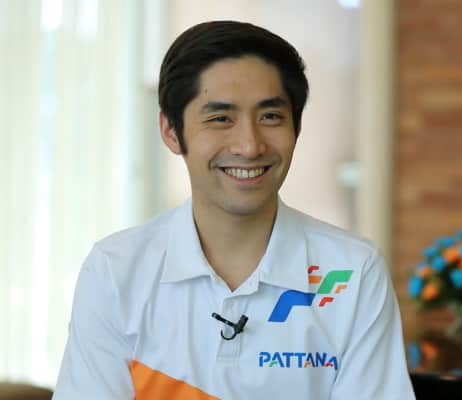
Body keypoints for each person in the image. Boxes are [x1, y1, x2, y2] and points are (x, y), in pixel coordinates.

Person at [53, 20, 415, 399]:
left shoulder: (353, 270)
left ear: (296, 127)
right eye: (221, 118)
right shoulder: (116, 270)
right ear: (171, 130)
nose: (249, 145)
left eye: (270, 117)